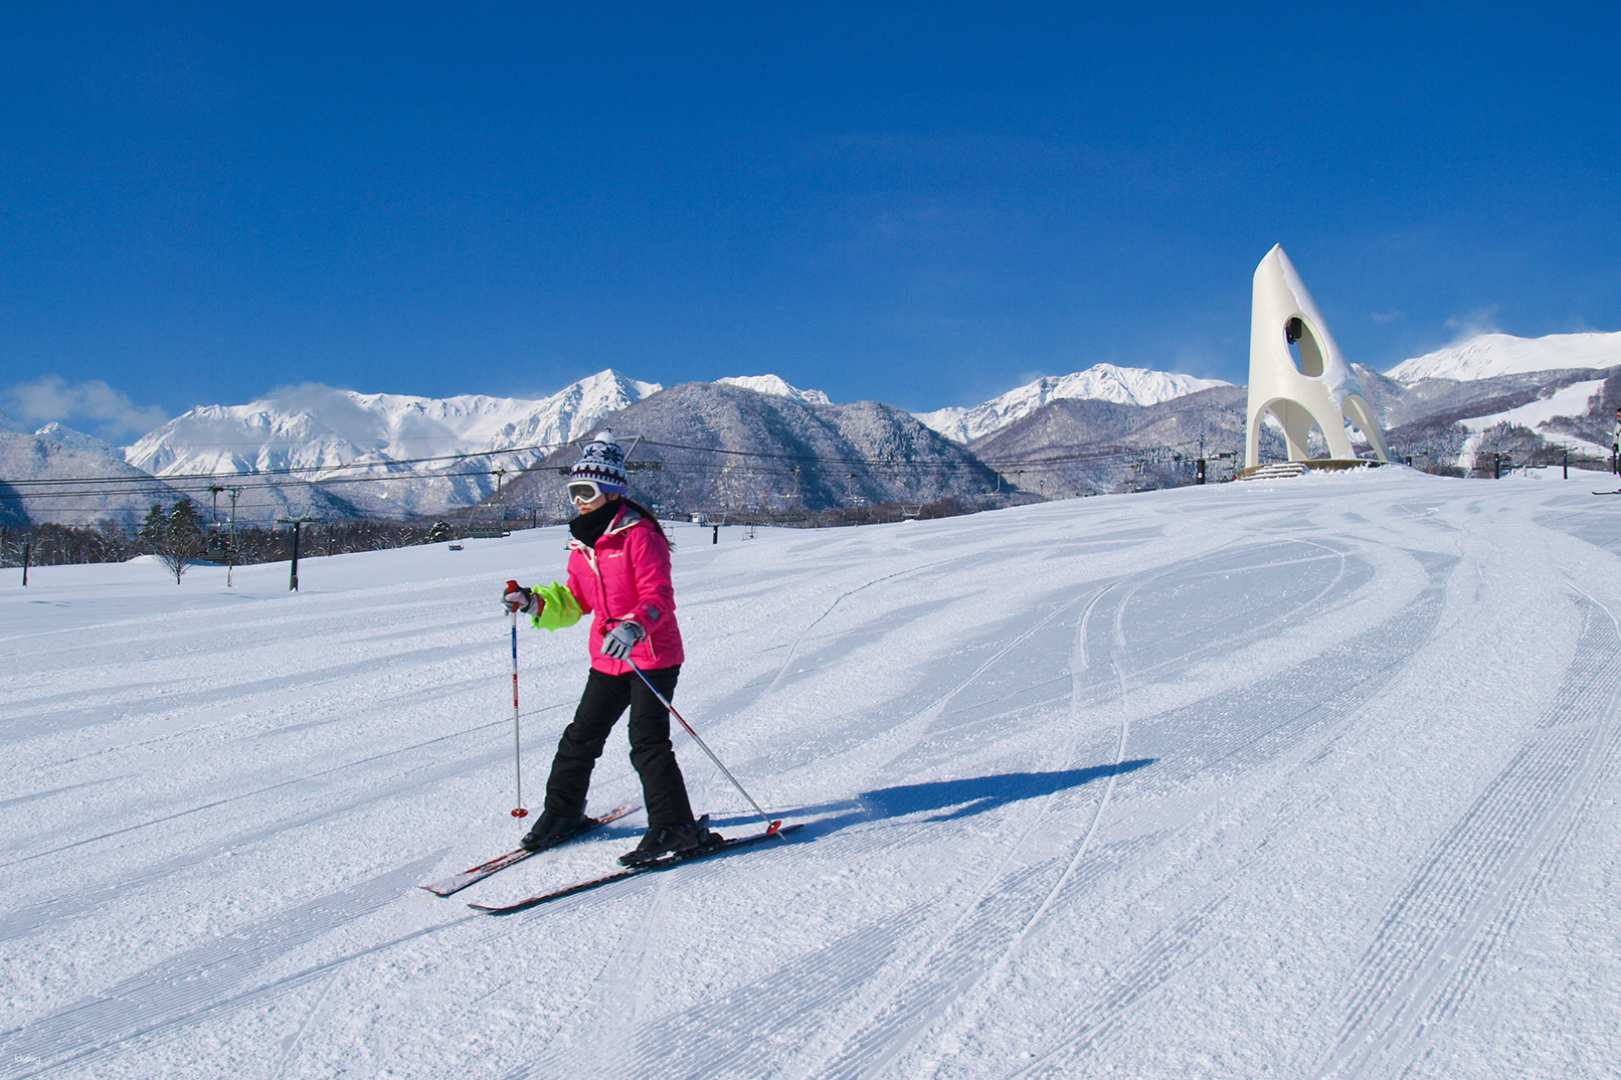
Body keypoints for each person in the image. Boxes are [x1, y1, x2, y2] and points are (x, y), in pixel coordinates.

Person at [501, 431, 718, 867]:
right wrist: (534, 602)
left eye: (587, 491)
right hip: (608, 657)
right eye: (574, 492)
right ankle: (562, 813)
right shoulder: (583, 543)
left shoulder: (639, 535)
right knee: (580, 737)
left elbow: (658, 597)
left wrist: (635, 627)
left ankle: (674, 826)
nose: (579, 501)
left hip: (652, 655)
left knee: (647, 741)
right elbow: (578, 599)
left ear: (612, 491)